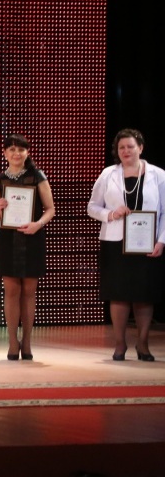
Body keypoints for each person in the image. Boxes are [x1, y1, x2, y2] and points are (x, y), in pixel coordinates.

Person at [86, 128, 165, 361]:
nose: (126, 151)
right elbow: (92, 207)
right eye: (121, 147)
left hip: (147, 244)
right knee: (118, 294)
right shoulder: (108, 174)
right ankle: (120, 345)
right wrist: (111, 214)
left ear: (140, 148)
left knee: (143, 295)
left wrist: (161, 240)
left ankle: (143, 344)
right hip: (115, 243)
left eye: (130, 146)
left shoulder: (159, 175)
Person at [0, 134, 55, 361]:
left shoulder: (37, 176)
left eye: (21, 149)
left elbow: (50, 209)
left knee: (29, 292)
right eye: (12, 149)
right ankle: (12, 341)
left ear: (27, 152)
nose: (16, 153)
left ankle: (27, 341)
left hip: (32, 238)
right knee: (11, 291)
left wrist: (38, 224)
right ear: (4, 153)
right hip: (7, 240)